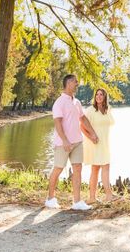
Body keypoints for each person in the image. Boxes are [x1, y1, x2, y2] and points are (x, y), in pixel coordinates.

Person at [45, 74, 98, 211]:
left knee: (78, 168)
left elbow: (83, 119)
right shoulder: (59, 102)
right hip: (63, 143)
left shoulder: (77, 102)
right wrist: (65, 140)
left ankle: (77, 201)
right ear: (68, 83)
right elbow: (57, 123)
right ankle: (50, 199)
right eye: (75, 82)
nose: (77, 84)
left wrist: (92, 133)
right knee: (58, 168)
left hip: (77, 142)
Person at [82, 88, 117, 203]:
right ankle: (107, 195)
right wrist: (91, 137)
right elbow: (82, 126)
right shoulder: (90, 110)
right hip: (95, 143)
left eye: (101, 94)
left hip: (105, 143)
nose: (99, 96)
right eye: (97, 94)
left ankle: (93, 197)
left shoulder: (108, 109)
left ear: (105, 97)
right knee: (100, 168)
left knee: (98, 168)